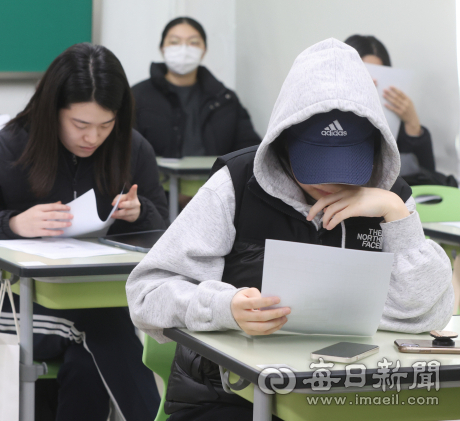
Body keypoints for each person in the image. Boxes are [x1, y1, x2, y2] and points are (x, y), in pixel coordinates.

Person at [126, 38, 455, 419]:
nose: (331, 185)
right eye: (315, 167)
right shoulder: (235, 184)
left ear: (375, 149)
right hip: (229, 396)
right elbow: (146, 295)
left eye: (348, 168)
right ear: (283, 142)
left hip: (348, 395)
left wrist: (397, 215)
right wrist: (226, 307)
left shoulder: (389, 196)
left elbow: (429, 314)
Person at [0, 43, 167, 421]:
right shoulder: (0, 154)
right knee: (106, 326)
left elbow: (166, 241)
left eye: (106, 125)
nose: (93, 138)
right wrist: (12, 226)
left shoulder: (131, 149)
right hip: (17, 304)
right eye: (80, 125)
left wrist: (142, 214)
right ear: (52, 111)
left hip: (103, 296)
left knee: (86, 365)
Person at [132, 17, 260, 209]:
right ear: (162, 48)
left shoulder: (224, 99)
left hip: (217, 200)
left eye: (193, 42)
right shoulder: (138, 96)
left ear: (203, 50)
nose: (184, 49)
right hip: (154, 202)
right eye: (175, 42)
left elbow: (249, 151)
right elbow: (129, 155)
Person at [344, 35, 437, 176]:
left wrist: (412, 124)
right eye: (364, 74)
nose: (372, 83)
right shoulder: (327, 120)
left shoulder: (394, 122)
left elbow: (428, 177)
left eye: (378, 75)